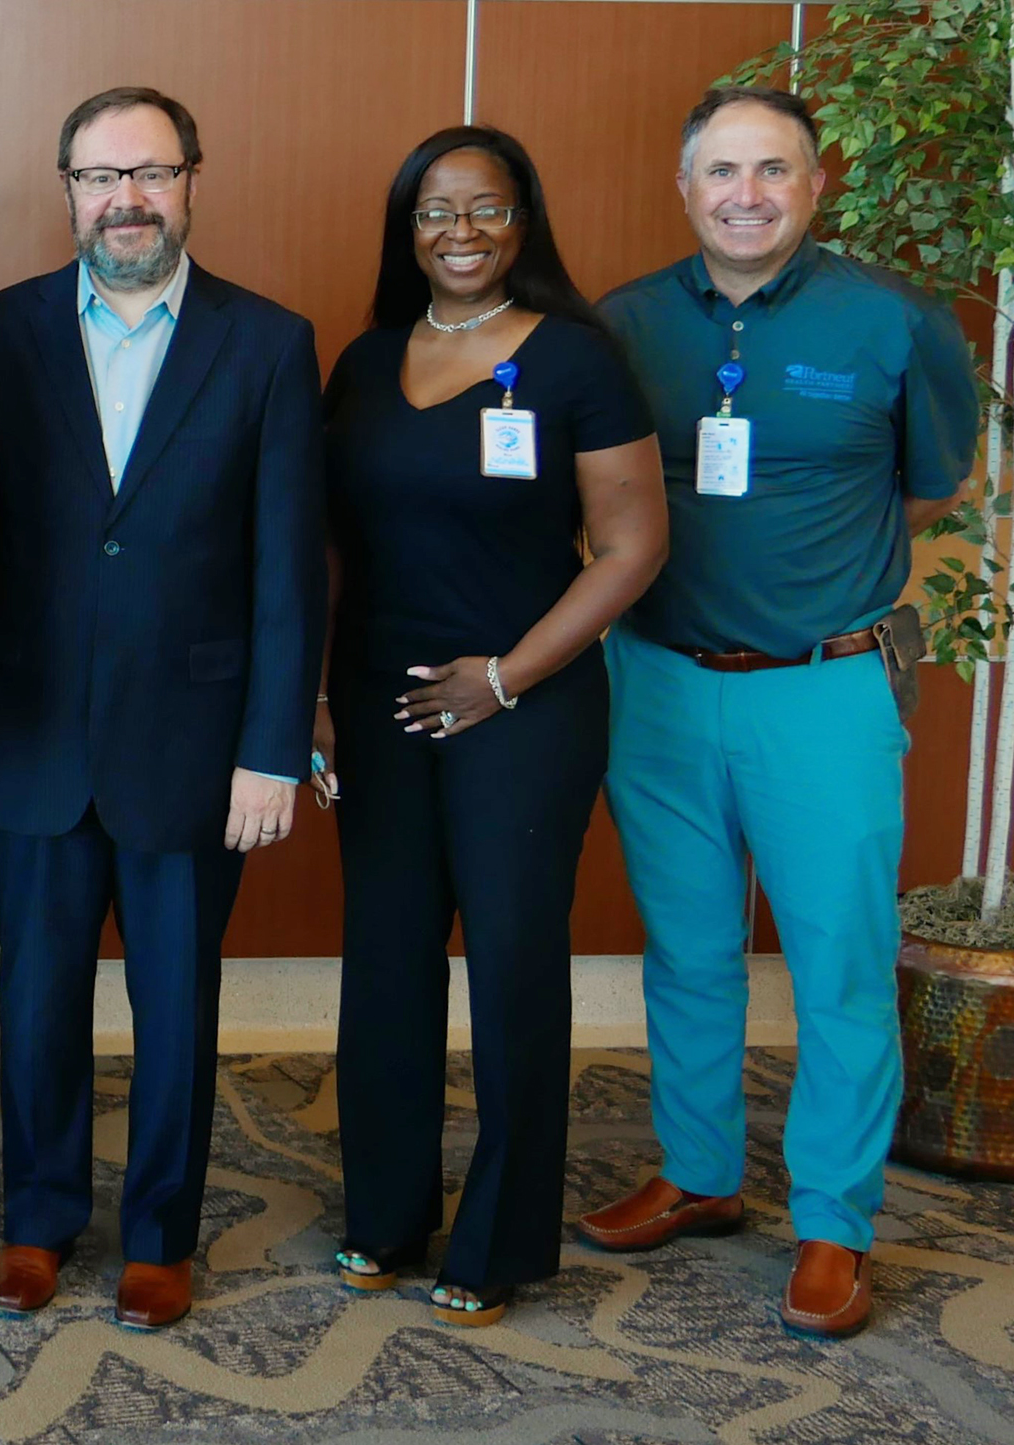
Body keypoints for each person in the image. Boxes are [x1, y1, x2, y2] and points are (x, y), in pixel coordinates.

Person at [576, 85, 976, 1341]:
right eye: (721, 172)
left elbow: (926, 489)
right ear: (683, 188)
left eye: (774, 170)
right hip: (659, 682)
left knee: (839, 968)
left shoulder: (897, 321)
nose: (745, 194)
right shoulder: (624, 323)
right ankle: (699, 1172)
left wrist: (808, 578)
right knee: (687, 947)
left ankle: (834, 1224)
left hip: (825, 689)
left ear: (817, 185)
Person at [0, 86, 323, 1332]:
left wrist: (272, 748)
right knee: (36, 992)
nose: (127, 199)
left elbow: (288, 562)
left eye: (150, 172)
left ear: (194, 180)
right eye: (101, 177)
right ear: (69, 192)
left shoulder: (267, 341)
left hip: (196, 747)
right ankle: (36, 1220)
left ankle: (161, 1232)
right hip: (30, 732)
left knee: (176, 999)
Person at [317, 127, 666, 1326]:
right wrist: (319, 693)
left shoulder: (576, 362)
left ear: (523, 221)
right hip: (379, 706)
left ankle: (503, 1235)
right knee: (388, 963)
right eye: (433, 211)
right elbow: (336, 551)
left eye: (486, 208)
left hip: (526, 707)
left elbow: (632, 547)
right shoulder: (362, 363)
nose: (458, 231)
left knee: (516, 966)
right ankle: (386, 1213)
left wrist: (505, 677)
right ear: (406, 229)